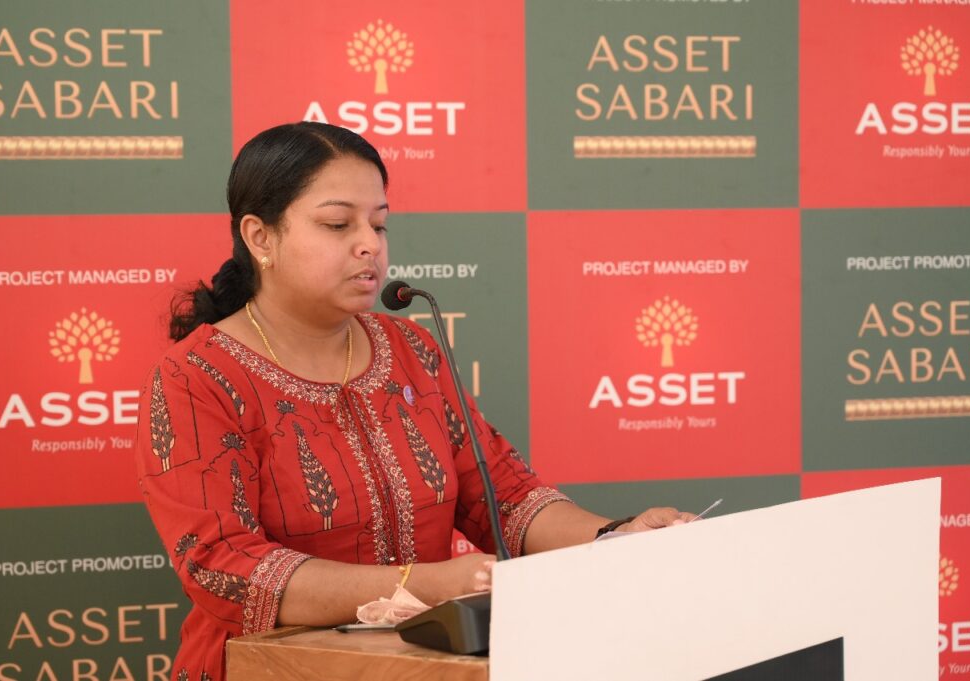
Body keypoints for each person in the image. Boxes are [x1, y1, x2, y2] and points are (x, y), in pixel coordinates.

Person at [134, 121, 696, 681]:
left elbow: (504, 497)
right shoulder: (195, 376)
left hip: (421, 665)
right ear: (261, 237)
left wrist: (612, 539)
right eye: (337, 224)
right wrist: (423, 584)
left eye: (379, 224)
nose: (369, 244)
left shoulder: (410, 348)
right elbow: (222, 568)